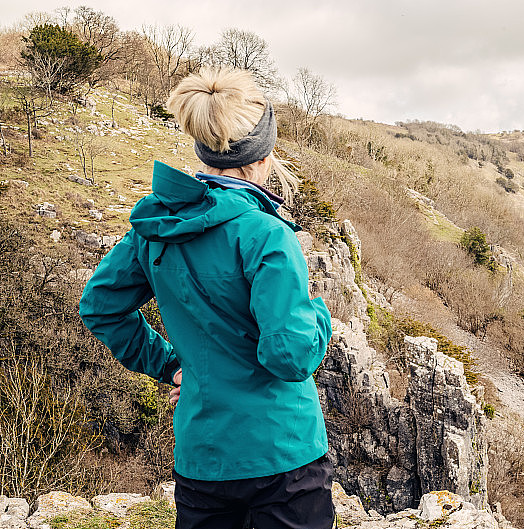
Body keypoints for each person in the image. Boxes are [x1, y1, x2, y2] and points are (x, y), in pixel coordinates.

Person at [79, 67, 334, 529]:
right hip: (283, 453)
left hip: (203, 457)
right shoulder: (267, 235)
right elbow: (290, 356)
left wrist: (169, 365)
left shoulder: (156, 228)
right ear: (263, 155)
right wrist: (318, 310)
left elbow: (100, 306)